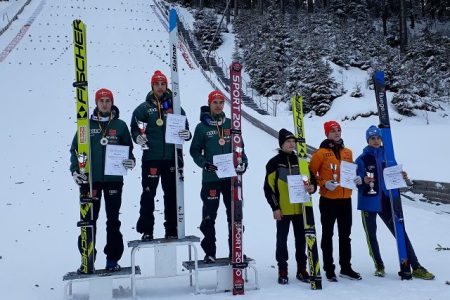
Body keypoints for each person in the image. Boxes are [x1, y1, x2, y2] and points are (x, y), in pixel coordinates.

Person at [355, 125, 434, 280]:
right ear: (368, 140)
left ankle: (416, 266)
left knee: (400, 232)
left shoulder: (388, 155)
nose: (376, 141)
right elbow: (356, 181)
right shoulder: (361, 159)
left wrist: (402, 177)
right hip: (368, 202)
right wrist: (362, 181)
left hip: (387, 201)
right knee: (371, 235)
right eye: (372, 138)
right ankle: (379, 265)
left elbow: (393, 177)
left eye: (378, 138)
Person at [70, 88, 135, 272]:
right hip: (92, 181)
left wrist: (131, 160)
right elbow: (75, 150)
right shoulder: (86, 126)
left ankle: (112, 259)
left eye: (108, 100)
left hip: (114, 180)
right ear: (96, 103)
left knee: (113, 220)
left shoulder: (120, 125)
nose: (105, 104)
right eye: (101, 101)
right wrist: (76, 170)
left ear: (112, 103)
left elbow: (129, 149)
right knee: (89, 220)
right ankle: (87, 258)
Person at [131, 70, 191, 241]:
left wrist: (187, 134)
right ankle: (146, 229)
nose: (160, 87)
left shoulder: (176, 105)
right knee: (148, 194)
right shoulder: (143, 108)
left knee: (171, 195)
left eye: (162, 83)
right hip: (151, 158)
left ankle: (171, 229)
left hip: (172, 158)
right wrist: (138, 138)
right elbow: (134, 128)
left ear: (166, 86)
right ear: (152, 86)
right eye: (156, 84)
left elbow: (185, 126)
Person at [189, 90, 248, 263]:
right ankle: (210, 253)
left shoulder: (231, 124)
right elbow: (194, 151)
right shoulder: (202, 127)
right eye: (214, 102)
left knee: (234, 215)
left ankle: (235, 251)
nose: (218, 105)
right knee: (209, 216)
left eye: (221, 102)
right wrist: (204, 163)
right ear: (209, 104)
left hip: (230, 179)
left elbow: (240, 149)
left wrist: (243, 163)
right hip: (211, 178)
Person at [309, 120, 361, 281]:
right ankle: (329, 269)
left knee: (346, 235)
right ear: (327, 134)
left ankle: (346, 267)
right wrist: (323, 183)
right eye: (333, 131)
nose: (336, 133)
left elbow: (349, 171)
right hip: (328, 200)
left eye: (338, 130)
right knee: (328, 234)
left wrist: (356, 179)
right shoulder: (320, 153)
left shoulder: (348, 152)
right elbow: (310, 174)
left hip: (346, 199)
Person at [263, 129, 317, 284]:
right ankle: (282, 269)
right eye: (288, 141)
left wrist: (312, 187)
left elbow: (311, 180)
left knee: (301, 240)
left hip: (301, 209)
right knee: (282, 240)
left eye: (293, 141)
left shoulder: (302, 160)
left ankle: (302, 269)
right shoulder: (274, 163)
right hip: (284, 210)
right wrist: (275, 208)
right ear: (281, 144)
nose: (291, 144)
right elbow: (268, 188)